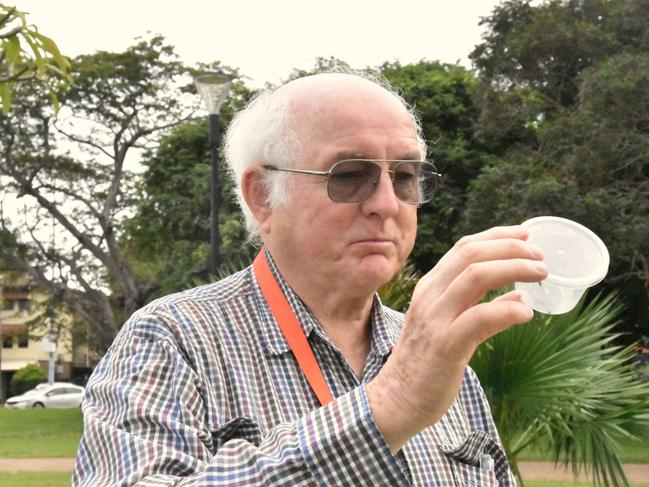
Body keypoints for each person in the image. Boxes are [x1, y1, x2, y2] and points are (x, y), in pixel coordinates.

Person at [72, 71, 548, 486]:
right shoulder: (174, 338)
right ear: (262, 196)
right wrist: (389, 406)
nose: (385, 203)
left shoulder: (438, 357)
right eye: (349, 175)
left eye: (404, 176)